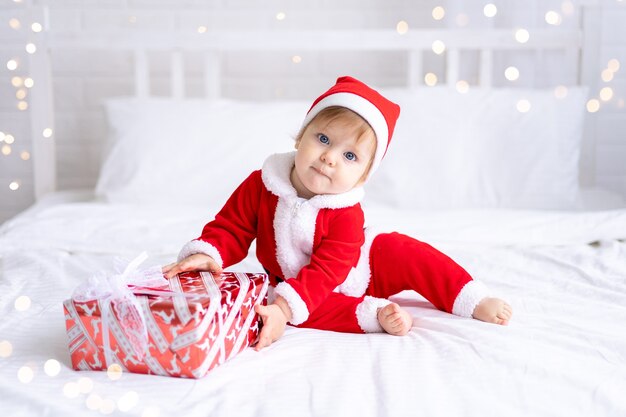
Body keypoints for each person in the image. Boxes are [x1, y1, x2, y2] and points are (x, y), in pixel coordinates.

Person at [163, 76, 512, 351]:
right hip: (297, 283)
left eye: (350, 156)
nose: (330, 157)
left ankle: (470, 298)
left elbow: (329, 269)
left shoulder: (346, 213)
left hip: (363, 266)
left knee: (412, 255)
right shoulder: (262, 185)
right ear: (301, 137)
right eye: (324, 139)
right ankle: (372, 314)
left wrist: (286, 309)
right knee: (286, 305)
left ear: (363, 176)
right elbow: (232, 226)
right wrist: (208, 253)